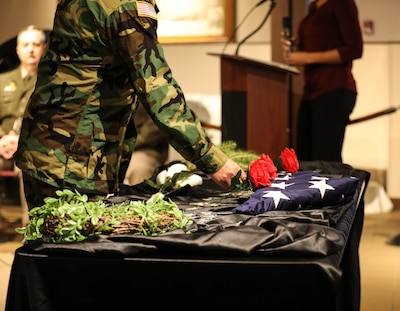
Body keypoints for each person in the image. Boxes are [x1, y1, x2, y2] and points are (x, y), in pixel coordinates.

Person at [15, 0, 246, 210]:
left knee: (46, 249)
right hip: (74, 156)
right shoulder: (127, 5)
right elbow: (158, 89)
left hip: (47, 145)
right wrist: (213, 161)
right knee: (73, 251)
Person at [282, 0, 363, 162]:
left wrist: (307, 57)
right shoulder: (313, 8)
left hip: (334, 88)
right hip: (312, 90)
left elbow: (355, 49)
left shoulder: (341, 4)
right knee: (304, 159)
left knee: (325, 160)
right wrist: (296, 47)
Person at [0, 25, 47, 226]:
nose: (31, 49)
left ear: (44, 48)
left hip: (33, 146)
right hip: (3, 145)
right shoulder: (2, 80)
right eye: (26, 45)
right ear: (18, 50)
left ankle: (29, 228)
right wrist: (2, 138)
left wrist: (21, 140)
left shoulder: (50, 82)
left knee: (27, 166)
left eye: (35, 44)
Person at [123, 103, 169, 185]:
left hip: (146, 150)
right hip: (116, 150)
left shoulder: (154, 95)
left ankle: (137, 197)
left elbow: (149, 135)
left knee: (139, 168)